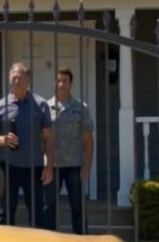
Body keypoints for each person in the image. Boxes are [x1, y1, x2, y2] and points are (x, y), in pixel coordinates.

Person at [0, 62, 54, 228]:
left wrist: (49, 166)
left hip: (34, 167)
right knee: (6, 212)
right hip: (9, 166)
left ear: (28, 80)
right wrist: (3, 140)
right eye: (13, 77)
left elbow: (48, 138)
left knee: (37, 213)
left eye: (20, 77)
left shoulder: (40, 105)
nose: (16, 81)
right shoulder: (1, 105)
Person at [43, 67, 94, 234]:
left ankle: (81, 238)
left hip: (74, 164)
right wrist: (44, 165)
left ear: (70, 83)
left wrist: (87, 166)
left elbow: (87, 139)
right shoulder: (45, 107)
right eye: (58, 80)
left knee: (77, 206)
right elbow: (40, 138)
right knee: (48, 207)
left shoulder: (80, 108)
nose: (61, 84)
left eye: (65, 81)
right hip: (52, 165)